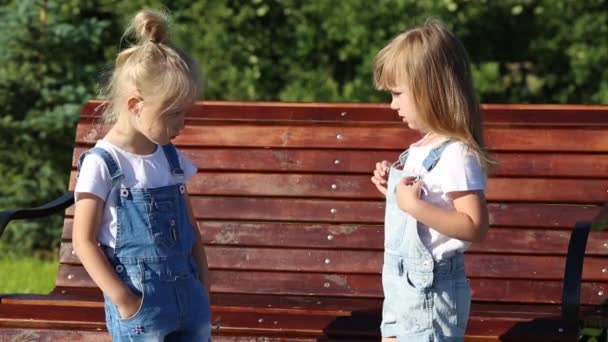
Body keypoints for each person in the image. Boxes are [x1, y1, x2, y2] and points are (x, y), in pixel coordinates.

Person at [72, 9, 211, 341]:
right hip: (142, 308)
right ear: (135, 105)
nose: (182, 124)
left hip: (189, 301)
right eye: (173, 114)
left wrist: (203, 287)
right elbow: (84, 240)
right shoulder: (103, 163)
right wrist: (123, 300)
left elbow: (191, 231)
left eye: (184, 113)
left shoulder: (169, 157)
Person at [370, 19, 492, 341]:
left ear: (429, 90)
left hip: (431, 288)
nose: (392, 104)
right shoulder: (419, 149)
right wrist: (394, 193)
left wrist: (413, 205)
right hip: (400, 282)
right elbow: (420, 213)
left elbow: (474, 226)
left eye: (397, 94)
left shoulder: (457, 154)